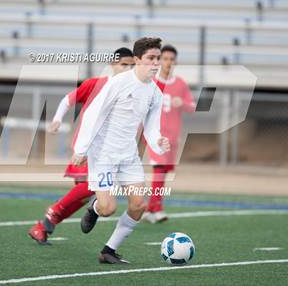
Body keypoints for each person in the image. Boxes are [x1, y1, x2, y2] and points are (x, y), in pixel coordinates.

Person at [73, 37, 170, 264]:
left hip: (128, 155)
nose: (156, 63)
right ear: (137, 60)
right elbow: (92, 113)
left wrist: (158, 142)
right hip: (103, 153)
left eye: (158, 58)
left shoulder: (155, 92)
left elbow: (152, 128)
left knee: (139, 205)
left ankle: (109, 250)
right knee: (108, 208)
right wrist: (81, 148)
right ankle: (95, 208)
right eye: (150, 58)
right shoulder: (118, 82)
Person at [28, 47, 135, 244]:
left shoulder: (130, 91)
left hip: (108, 150)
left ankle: (43, 226)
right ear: (113, 65)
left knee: (86, 195)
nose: (128, 69)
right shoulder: (96, 84)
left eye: (132, 65)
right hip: (86, 147)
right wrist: (57, 119)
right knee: (90, 188)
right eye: (123, 65)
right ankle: (52, 214)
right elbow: (68, 100)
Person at [142, 45, 196, 224]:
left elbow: (192, 106)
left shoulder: (180, 84)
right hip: (156, 136)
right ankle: (157, 209)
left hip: (173, 137)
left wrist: (183, 103)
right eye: (165, 59)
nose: (168, 63)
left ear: (176, 62)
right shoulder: (151, 81)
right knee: (158, 170)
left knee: (164, 172)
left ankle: (149, 209)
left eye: (171, 59)